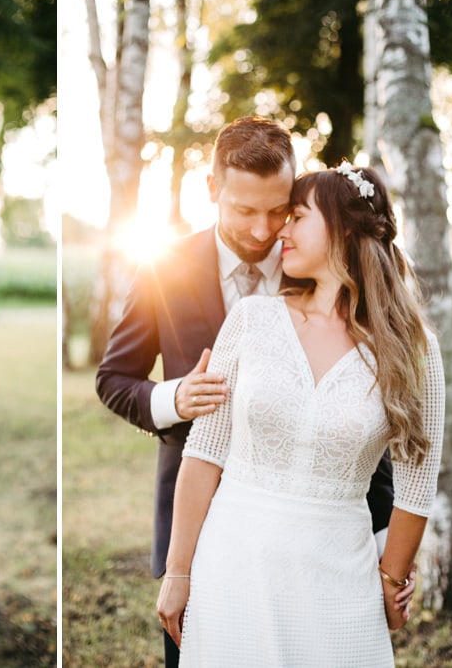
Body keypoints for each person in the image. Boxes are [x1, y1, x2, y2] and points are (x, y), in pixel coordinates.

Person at [95, 116, 401, 666]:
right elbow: (113, 378)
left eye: (279, 210)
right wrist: (173, 399)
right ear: (212, 190)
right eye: (244, 210)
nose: (264, 230)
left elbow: (358, 414)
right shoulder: (164, 269)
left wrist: (385, 553)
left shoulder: (322, 271)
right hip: (195, 518)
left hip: (323, 546)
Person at [156, 164, 445, 665]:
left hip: (340, 580)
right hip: (233, 564)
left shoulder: (413, 351)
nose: (280, 231)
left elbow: (417, 487)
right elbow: (204, 454)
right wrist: (179, 573)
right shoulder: (251, 319)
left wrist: (391, 581)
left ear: (344, 228)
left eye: (296, 216)